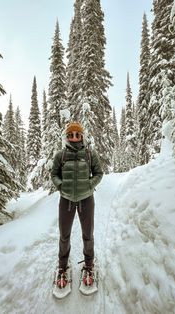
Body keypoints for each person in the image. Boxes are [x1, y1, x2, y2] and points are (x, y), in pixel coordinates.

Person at [51, 121, 103, 288]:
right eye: (71, 135)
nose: (74, 137)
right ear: (67, 137)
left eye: (77, 134)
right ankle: (62, 266)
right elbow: (54, 174)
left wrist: (89, 185)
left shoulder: (89, 154)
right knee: (64, 236)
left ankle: (89, 265)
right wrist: (60, 185)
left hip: (86, 199)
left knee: (88, 235)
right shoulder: (61, 155)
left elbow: (99, 173)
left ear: (82, 136)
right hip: (66, 200)